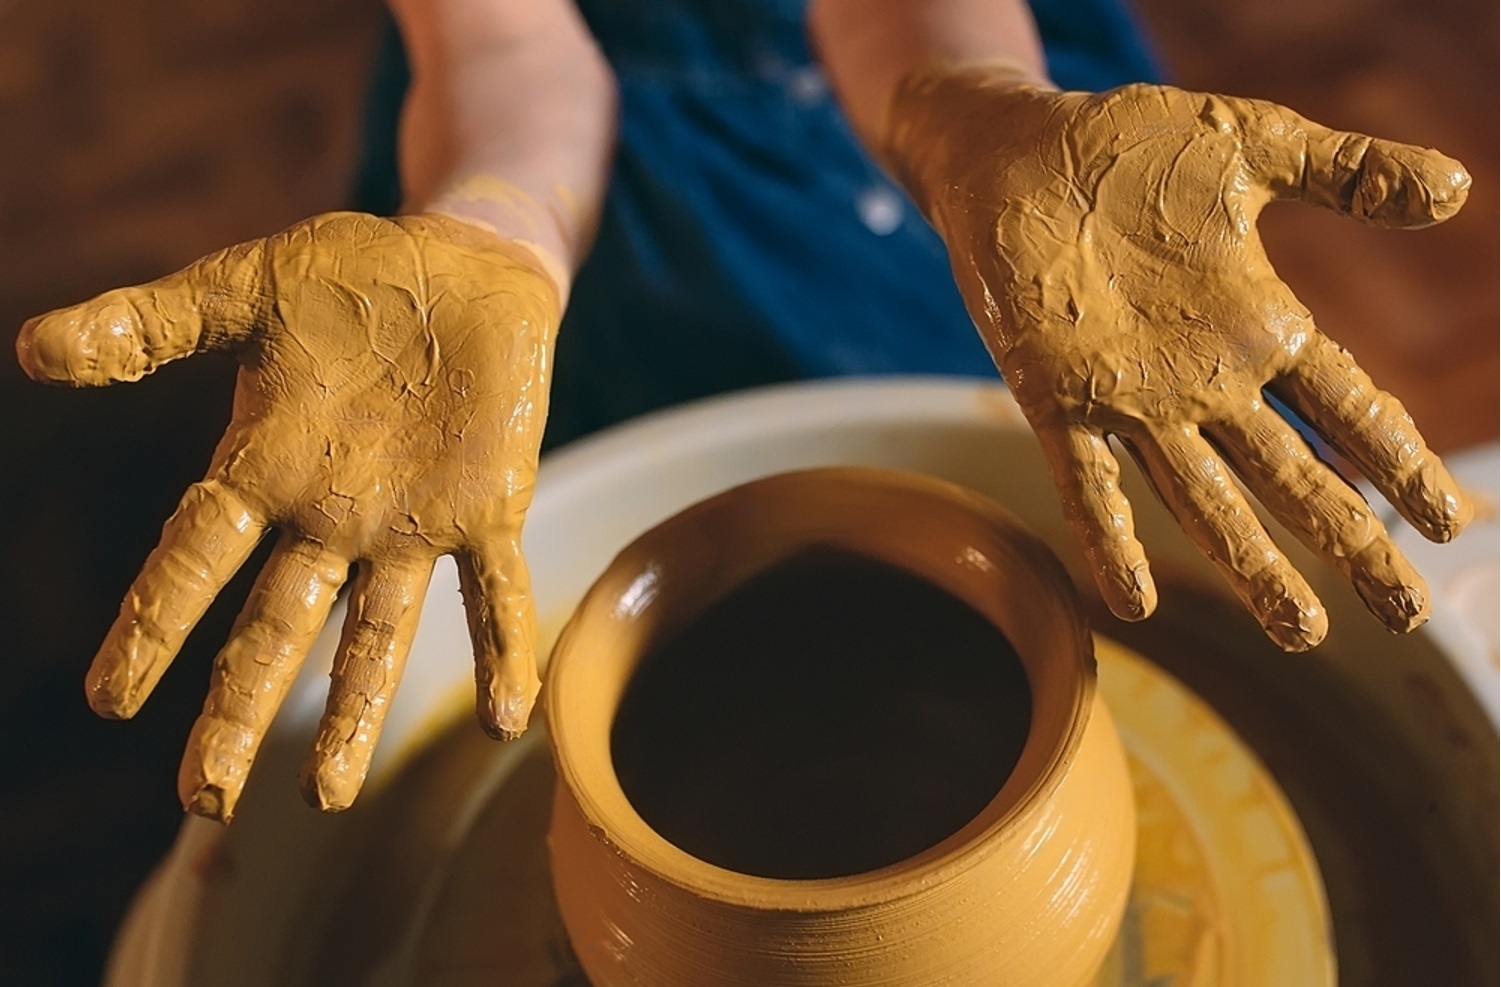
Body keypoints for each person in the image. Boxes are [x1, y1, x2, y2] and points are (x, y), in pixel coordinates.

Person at [15, 0, 1474, 821]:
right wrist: (496, 235)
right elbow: (512, 54)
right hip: (609, 121)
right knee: (522, 479)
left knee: (1069, 404)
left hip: (962, 96)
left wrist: (973, 123)